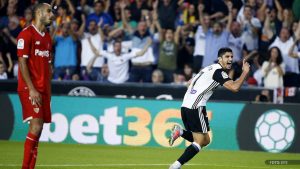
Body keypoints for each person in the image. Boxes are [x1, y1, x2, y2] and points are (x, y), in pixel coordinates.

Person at [168, 47, 250, 169]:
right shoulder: (219, 72)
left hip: (185, 105)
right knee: (199, 142)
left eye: (231, 57)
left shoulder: (208, 68)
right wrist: (245, 72)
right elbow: (234, 87)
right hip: (196, 107)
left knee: (205, 140)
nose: (230, 59)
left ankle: (180, 132)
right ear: (220, 58)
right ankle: (175, 166)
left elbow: (189, 82)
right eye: (227, 57)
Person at [16, 3, 54, 169]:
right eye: (49, 11)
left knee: (38, 132)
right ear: (38, 12)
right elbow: (22, 62)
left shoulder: (47, 37)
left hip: (43, 89)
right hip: (30, 87)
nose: (52, 15)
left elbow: (48, 67)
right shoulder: (26, 35)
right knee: (36, 126)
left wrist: (48, 91)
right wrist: (31, 88)